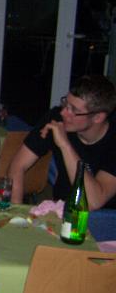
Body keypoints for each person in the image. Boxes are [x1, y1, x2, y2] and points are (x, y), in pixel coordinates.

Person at [8, 75, 116, 210]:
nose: (64, 112)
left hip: (105, 217)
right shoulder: (57, 119)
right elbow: (18, 166)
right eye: (65, 103)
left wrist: (65, 145)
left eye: (74, 110)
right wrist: (16, 211)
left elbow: (92, 202)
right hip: (62, 209)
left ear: (98, 117)